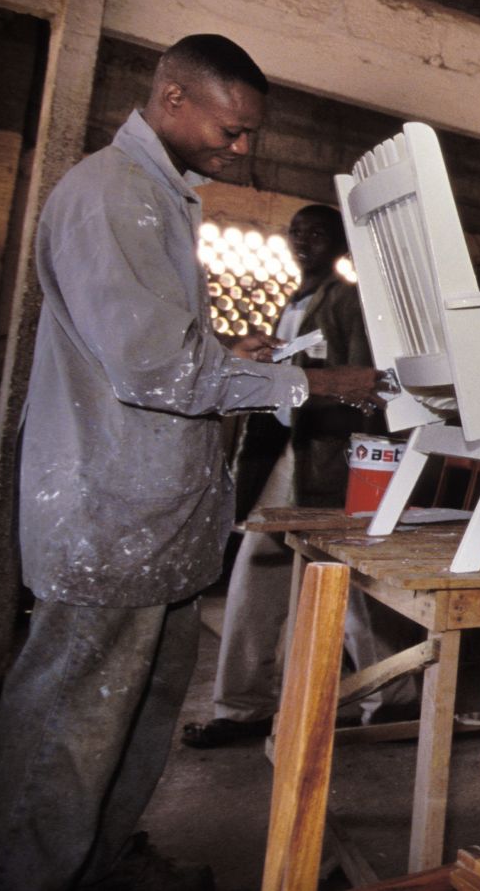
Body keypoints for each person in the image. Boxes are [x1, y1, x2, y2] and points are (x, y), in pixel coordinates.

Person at [0, 35, 380, 891]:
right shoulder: (112, 194)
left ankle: (96, 858)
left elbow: (154, 343)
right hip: (111, 513)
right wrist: (316, 381)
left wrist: (225, 351)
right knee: (70, 724)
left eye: (248, 134)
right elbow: (155, 367)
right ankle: (28, 872)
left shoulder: (160, 196)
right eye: (230, 129)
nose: (241, 148)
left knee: (135, 710)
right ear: (173, 98)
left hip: (151, 517)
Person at [180, 205, 418, 750]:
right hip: (285, 452)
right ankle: (247, 706)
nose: (303, 239)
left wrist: (365, 465)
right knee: (271, 570)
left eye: (318, 232)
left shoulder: (348, 300)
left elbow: (369, 387)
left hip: (329, 458)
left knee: (351, 580)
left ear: (341, 245)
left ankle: (391, 699)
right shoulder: (295, 303)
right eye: (296, 231)